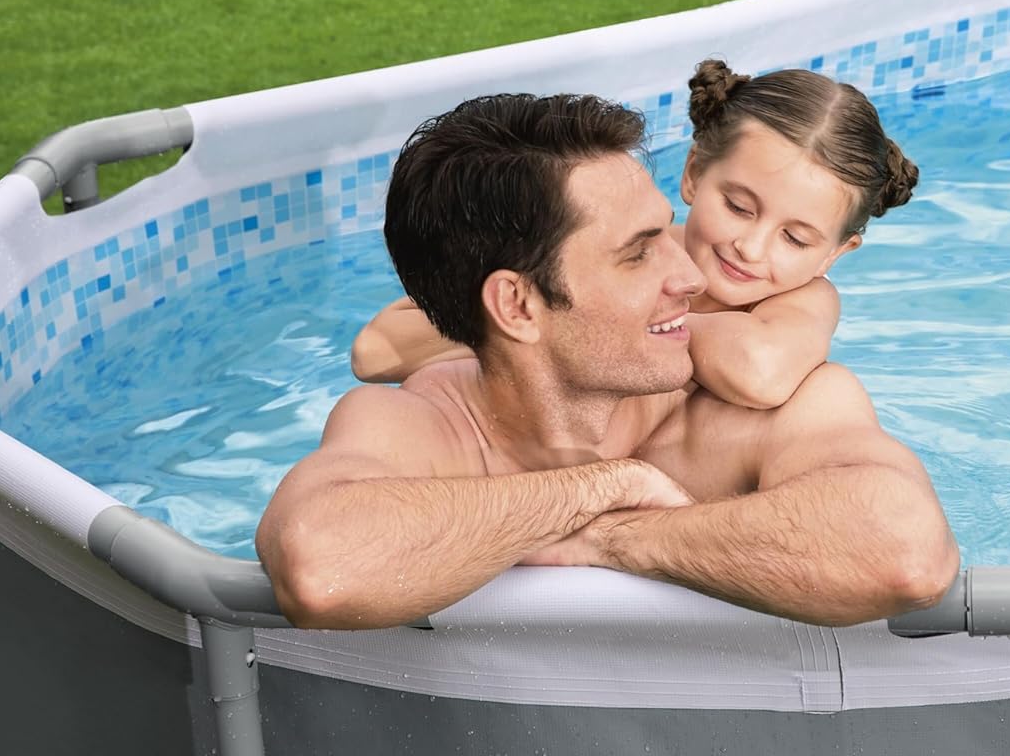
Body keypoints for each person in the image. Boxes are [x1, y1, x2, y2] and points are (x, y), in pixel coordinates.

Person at [255, 91, 957, 630]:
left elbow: (905, 549)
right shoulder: (419, 425)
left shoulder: (770, 415)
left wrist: (617, 541)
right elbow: (324, 568)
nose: (692, 276)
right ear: (518, 307)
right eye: (640, 252)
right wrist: (601, 488)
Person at [349, 60, 918, 410]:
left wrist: (608, 321)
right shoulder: (627, 241)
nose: (753, 246)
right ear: (694, 172)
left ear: (837, 253)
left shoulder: (801, 301)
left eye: (796, 239)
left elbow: (761, 373)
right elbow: (376, 351)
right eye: (739, 207)